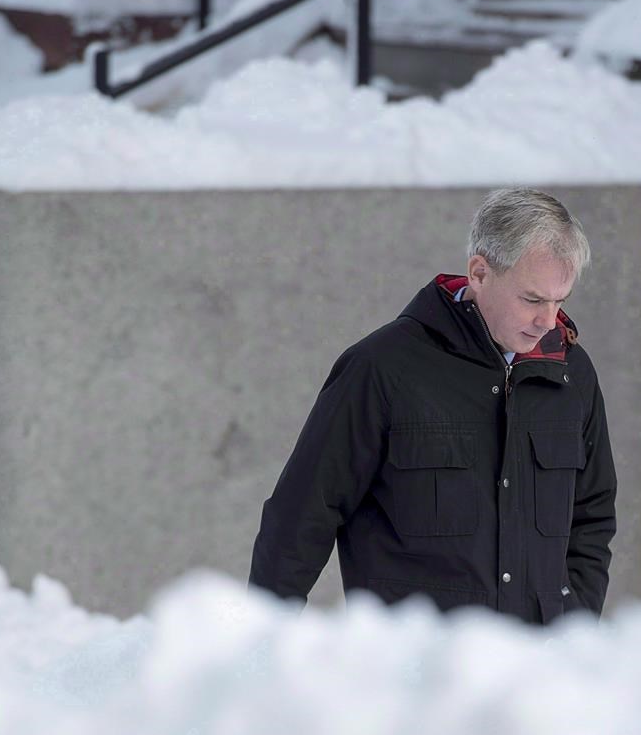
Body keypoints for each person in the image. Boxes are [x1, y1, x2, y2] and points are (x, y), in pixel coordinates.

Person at [248, 188, 617, 625]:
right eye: (533, 299)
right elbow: (301, 515)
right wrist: (261, 647)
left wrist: (574, 626)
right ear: (479, 272)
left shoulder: (571, 374)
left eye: (560, 301)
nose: (547, 320)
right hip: (416, 675)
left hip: (534, 676)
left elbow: (592, 517)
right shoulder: (383, 368)